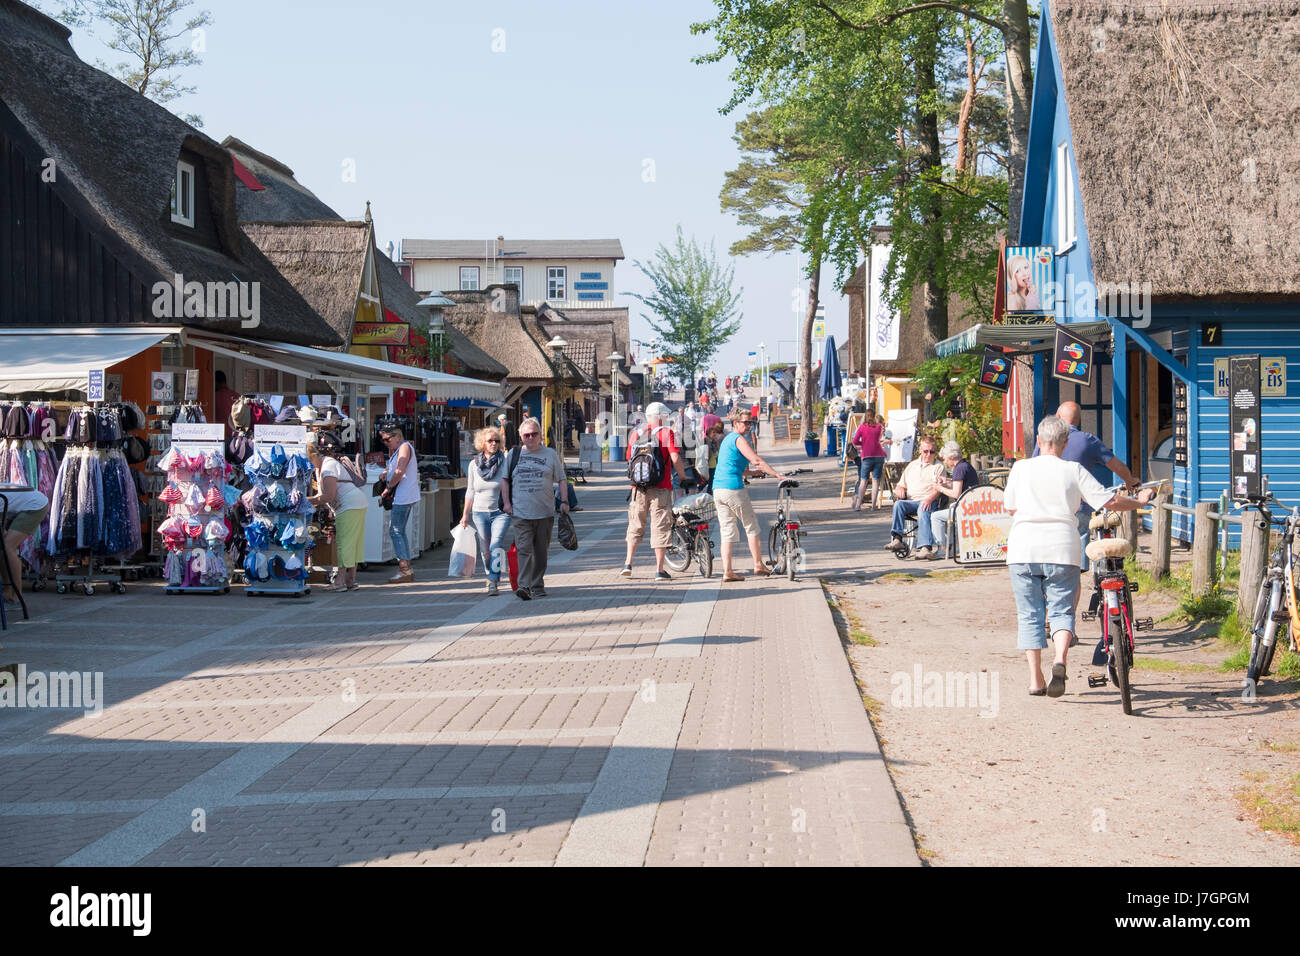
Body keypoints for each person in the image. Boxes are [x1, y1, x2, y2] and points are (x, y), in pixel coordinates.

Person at [1005, 415, 1154, 696]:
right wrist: (1138, 501)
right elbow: (1108, 501)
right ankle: (1060, 660)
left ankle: (1035, 679)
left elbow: (1011, 508)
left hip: (1023, 548)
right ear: (1064, 443)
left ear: (1039, 440)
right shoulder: (1073, 470)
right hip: (1062, 547)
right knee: (1061, 610)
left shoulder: (1020, 468)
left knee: (1029, 614)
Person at [1038, 400, 1139, 593]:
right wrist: (1129, 480)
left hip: (1048, 507)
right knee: (1073, 564)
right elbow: (1116, 465)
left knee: (1048, 558)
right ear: (1078, 420)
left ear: (1058, 417)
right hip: (1080, 507)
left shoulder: (1046, 441)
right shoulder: (1088, 440)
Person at [713, 406, 783, 581]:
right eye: (746, 422)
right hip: (733, 489)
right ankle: (758, 564)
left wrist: (753, 474)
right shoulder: (739, 439)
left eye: (751, 422)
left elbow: (733, 468)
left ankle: (727, 571)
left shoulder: (727, 440)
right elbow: (756, 460)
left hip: (718, 489)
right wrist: (776, 475)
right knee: (751, 525)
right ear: (736, 423)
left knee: (727, 530)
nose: (749, 425)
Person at [621, 401, 688, 580]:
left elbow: (629, 459)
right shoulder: (667, 433)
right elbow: (674, 457)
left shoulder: (636, 433)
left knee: (635, 524)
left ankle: (628, 563)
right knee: (660, 526)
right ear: (660, 416)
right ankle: (659, 570)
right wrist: (682, 476)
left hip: (638, 488)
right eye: (665, 415)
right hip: (661, 487)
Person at [509, 417, 569, 600]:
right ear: (521, 437)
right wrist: (506, 503)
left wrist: (564, 501)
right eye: (526, 435)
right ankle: (524, 586)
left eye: (534, 434)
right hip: (521, 511)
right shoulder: (513, 454)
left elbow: (562, 479)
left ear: (540, 435)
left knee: (541, 551)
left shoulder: (550, 454)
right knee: (524, 548)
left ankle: (537, 584)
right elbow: (505, 480)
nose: (530, 438)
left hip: (545, 511)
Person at [306, 432, 366, 592]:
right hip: (354, 503)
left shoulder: (327, 468)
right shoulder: (324, 466)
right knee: (353, 543)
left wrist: (306, 500)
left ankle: (340, 581)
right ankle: (351, 581)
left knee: (344, 544)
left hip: (349, 505)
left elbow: (328, 496)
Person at [460, 426, 512, 596]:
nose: (494, 444)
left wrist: (509, 505)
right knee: (485, 550)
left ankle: (493, 580)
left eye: (497, 441)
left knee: (496, 545)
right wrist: (465, 515)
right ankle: (491, 574)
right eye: (490, 441)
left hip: (500, 512)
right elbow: (470, 491)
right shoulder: (473, 465)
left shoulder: (504, 462)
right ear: (482, 443)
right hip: (479, 512)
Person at [884, 435, 946, 557]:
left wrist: (929, 499)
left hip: (929, 499)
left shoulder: (938, 466)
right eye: (925, 451)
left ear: (935, 452)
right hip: (912, 500)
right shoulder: (912, 465)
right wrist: (899, 489)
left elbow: (939, 489)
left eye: (932, 452)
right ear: (920, 451)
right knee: (898, 504)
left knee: (923, 508)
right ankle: (897, 539)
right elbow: (900, 485)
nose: (928, 454)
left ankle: (925, 547)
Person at [378, 424, 420, 584]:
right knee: (398, 531)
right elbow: (397, 470)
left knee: (395, 530)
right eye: (384, 441)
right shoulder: (400, 449)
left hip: (403, 496)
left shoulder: (403, 447)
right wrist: (386, 474)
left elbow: (400, 471)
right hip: (405, 495)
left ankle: (405, 569)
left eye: (388, 439)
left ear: (397, 436)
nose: (386, 443)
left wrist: (388, 488)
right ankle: (406, 568)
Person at [928, 441, 979, 559]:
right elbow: (960, 486)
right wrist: (946, 483)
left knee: (936, 517)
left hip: (965, 508)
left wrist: (939, 488)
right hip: (972, 505)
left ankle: (942, 548)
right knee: (947, 511)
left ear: (951, 457)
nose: (944, 461)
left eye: (945, 458)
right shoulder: (966, 465)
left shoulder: (958, 469)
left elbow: (956, 493)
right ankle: (952, 546)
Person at [2, 489, 48, 611]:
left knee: (7, 548)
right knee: (3, 549)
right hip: (26, 503)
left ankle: (15, 597)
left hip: (35, 506)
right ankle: (7, 592)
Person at [850, 409, 887, 511]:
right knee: (876, 481)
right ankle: (873, 506)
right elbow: (879, 439)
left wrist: (863, 444)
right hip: (879, 456)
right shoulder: (879, 427)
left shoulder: (862, 427)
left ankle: (858, 505)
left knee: (863, 481)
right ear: (874, 416)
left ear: (865, 416)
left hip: (867, 456)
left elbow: (855, 441)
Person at [214, 371, 240, 439]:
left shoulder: (214, 397)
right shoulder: (236, 395)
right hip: (236, 433)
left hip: (220, 434)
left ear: (215, 382)